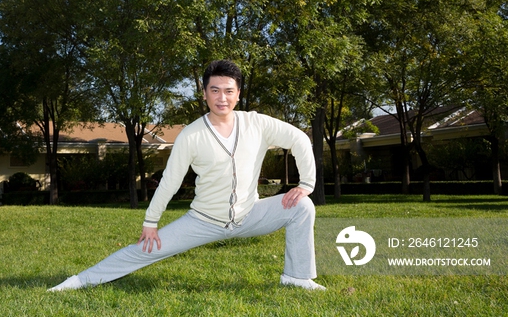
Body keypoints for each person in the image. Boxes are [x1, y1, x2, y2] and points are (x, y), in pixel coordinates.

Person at [49, 59, 325, 291]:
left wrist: (306, 184)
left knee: (302, 206)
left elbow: (300, 139)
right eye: (214, 90)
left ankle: (296, 277)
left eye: (229, 91)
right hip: (203, 220)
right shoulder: (191, 135)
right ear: (204, 93)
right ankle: (79, 281)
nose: (222, 97)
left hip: (250, 214)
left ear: (238, 93)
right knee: (145, 249)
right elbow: (170, 181)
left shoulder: (257, 123)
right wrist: (150, 221)